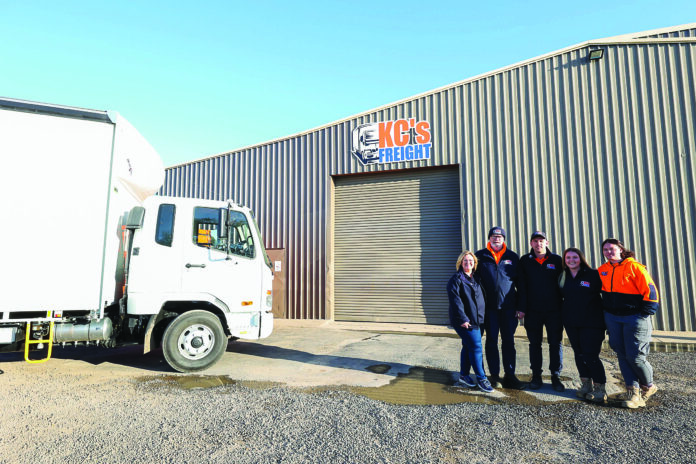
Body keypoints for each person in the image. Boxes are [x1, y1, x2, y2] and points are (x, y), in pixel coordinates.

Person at [599, 238, 659, 408]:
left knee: (636, 357)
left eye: (612, 248)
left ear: (620, 249)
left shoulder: (634, 267)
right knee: (622, 354)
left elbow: (650, 290)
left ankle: (649, 386)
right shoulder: (603, 270)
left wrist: (645, 312)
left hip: (634, 317)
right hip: (613, 317)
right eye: (605, 250)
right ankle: (633, 393)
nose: (609, 252)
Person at [475, 226, 526, 390]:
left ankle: (510, 376)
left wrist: (521, 307)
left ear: (504, 239)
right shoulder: (480, 256)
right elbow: (474, 283)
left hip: (509, 308)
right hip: (489, 309)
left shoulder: (512, 257)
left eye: (500, 236)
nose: (496, 238)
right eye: (493, 236)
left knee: (509, 342)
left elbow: (521, 285)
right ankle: (494, 376)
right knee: (491, 341)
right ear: (489, 238)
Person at [517, 231, 565, 391]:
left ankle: (555, 376)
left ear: (547, 242)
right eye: (535, 241)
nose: (538, 244)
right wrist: (522, 308)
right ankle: (536, 375)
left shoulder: (557, 260)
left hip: (554, 311)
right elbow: (521, 287)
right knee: (535, 344)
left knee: (555, 344)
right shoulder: (525, 261)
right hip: (533, 311)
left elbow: (565, 284)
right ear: (531, 244)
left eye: (541, 241)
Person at [559, 247, 607, 403]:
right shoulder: (563, 276)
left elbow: (606, 295)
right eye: (568, 258)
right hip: (572, 322)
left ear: (581, 258)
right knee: (578, 354)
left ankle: (600, 388)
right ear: (564, 261)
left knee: (590, 355)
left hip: (592, 322)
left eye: (574, 257)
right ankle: (586, 384)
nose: (571, 260)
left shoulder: (593, 275)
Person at [447, 250, 494, 393]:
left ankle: (464, 375)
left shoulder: (476, 278)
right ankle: (481, 378)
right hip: (464, 321)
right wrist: (463, 319)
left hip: (478, 319)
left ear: (475, 263)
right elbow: (456, 301)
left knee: (468, 346)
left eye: (471, 261)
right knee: (476, 347)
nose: (468, 263)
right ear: (460, 263)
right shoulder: (456, 279)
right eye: (465, 261)